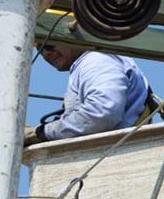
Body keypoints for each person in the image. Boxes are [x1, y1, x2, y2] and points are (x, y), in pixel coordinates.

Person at [24, 44, 155, 145]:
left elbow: (103, 113)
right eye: (40, 48)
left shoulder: (95, 60)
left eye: (49, 44)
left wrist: (42, 133)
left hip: (114, 156)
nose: (46, 53)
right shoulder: (94, 60)